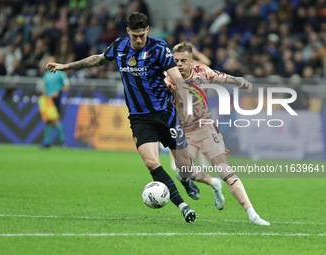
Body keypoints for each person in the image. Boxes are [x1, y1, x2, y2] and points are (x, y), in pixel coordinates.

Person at [46, 12, 199, 223]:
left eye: (141, 36)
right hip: (139, 117)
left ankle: (186, 179)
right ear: (128, 31)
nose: (138, 40)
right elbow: (98, 59)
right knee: (151, 162)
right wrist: (66, 66)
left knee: (185, 166)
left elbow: (177, 79)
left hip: (165, 113)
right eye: (134, 36)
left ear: (147, 31)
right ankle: (183, 206)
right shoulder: (119, 46)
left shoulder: (159, 48)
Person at [164, 42, 270, 226]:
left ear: (191, 60)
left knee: (224, 170)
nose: (179, 64)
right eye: (176, 61)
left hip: (205, 129)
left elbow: (222, 77)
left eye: (183, 60)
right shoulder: (168, 78)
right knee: (183, 172)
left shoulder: (202, 71)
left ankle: (253, 215)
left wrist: (239, 81)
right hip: (184, 132)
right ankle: (213, 183)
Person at [41, 56, 70, 148]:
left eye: (51, 61)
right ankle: (47, 142)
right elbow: (44, 87)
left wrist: (58, 92)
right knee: (48, 121)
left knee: (56, 120)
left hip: (55, 99)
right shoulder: (46, 74)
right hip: (47, 100)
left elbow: (67, 86)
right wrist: (44, 93)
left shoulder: (60, 73)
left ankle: (63, 141)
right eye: (48, 61)